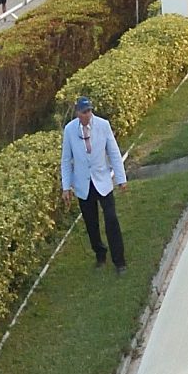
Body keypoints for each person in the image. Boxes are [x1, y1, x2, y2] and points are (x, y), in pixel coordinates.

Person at [59, 94, 127, 270]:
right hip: (83, 184)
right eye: (84, 112)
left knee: (111, 219)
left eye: (89, 111)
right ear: (77, 113)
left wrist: (121, 178)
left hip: (102, 181)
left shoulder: (103, 126)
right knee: (91, 224)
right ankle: (100, 254)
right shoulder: (69, 130)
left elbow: (113, 152)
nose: (87, 115)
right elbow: (66, 160)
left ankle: (119, 261)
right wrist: (66, 187)